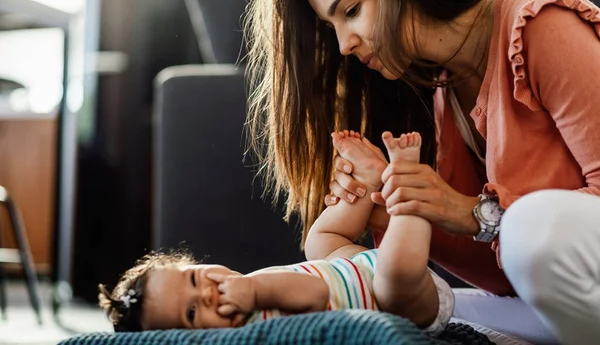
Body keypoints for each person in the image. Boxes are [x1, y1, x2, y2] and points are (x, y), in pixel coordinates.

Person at [244, 0, 600, 344]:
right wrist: (397, 205)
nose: (344, 44)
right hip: (559, 308)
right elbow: (510, 274)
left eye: (351, 11)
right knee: (387, 312)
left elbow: (535, 239)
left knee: (531, 225)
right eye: (332, 29)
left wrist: (470, 212)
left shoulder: (539, 24)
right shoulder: (437, 92)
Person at [98, 131, 454, 335]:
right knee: (394, 275)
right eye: (192, 313)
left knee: (319, 242)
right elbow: (314, 292)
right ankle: (408, 188)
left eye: (194, 278)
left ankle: (367, 178)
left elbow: (321, 277)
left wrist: (253, 287)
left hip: (353, 268)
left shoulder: (250, 284)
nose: (207, 293)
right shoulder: (253, 322)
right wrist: (254, 293)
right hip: (403, 303)